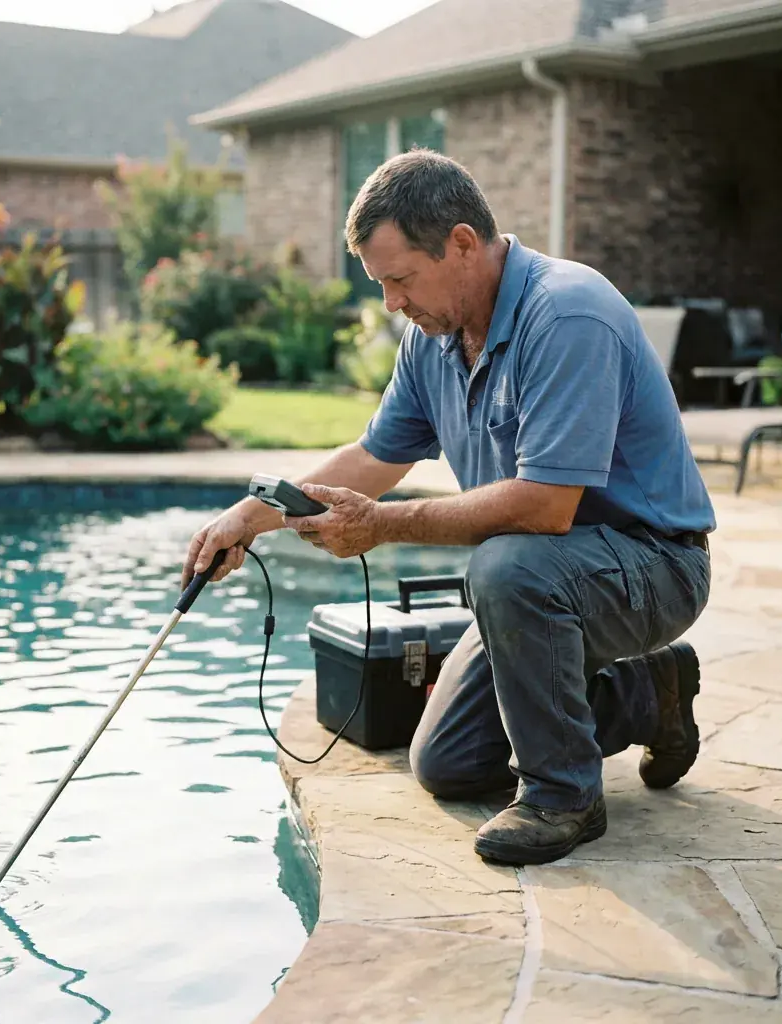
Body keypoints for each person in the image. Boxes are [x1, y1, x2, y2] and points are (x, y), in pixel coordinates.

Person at [180, 150, 714, 866]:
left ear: (462, 243)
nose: (390, 304)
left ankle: (563, 796)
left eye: (400, 280)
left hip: (652, 564)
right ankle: (648, 691)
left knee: (504, 566)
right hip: (543, 581)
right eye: (380, 284)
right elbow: (374, 458)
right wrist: (250, 516)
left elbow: (546, 508)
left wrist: (381, 526)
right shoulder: (432, 340)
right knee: (448, 762)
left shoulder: (567, 314)